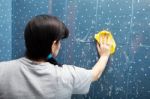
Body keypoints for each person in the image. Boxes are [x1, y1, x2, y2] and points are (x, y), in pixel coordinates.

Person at [0, 15, 112, 99]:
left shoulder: (2, 70)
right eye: (59, 42)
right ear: (53, 45)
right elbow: (94, 74)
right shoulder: (67, 75)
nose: (60, 45)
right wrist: (105, 55)